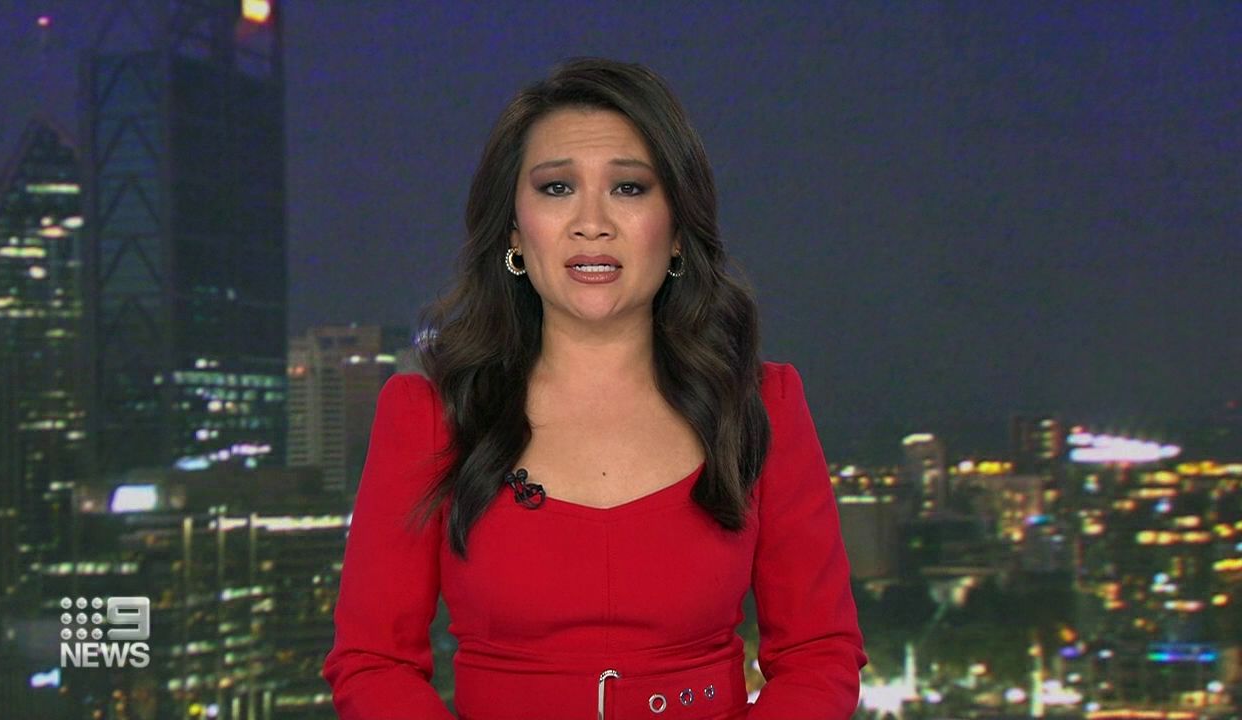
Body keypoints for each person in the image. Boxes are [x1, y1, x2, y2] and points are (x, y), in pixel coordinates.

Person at [321, 57, 867, 720]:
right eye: (556, 188)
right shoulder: (429, 413)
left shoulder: (760, 406)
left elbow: (818, 654)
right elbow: (373, 662)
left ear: (676, 229)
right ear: (514, 229)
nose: (591, 222)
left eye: (629, 188)